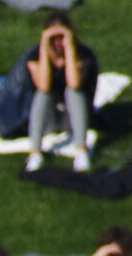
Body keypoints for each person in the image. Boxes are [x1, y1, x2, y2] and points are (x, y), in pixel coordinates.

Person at [23, 11, 97, 175]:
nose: (58, 42)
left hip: (75, 118)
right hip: (48, 119)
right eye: (53, 38)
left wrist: (69, 49)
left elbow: (74, 83)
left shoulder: (84, 55)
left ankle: (81, 150)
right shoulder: (35, 56)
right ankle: (35, 153)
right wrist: (44, 48)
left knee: (73, 92)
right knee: (42, 95)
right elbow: (43, 86)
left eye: (61, 37)